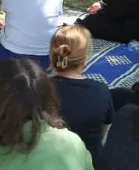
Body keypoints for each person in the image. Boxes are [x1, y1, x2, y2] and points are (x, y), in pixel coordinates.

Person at [49, 26, 114, 160]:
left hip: (49, 164)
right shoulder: (100, 91)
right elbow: (103, 133)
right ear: (85, 59)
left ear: (52, 56)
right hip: (88, 167)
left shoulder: (39, 90)